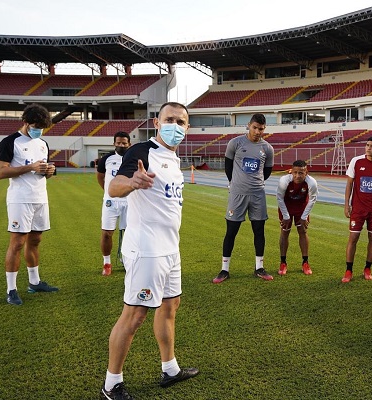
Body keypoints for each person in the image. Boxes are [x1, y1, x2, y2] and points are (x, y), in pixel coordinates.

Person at [100, 102, 198, 400]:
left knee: (170, 307)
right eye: (170, 119)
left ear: (187, 127)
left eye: (181, 122)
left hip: (170, 248)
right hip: (146, 249)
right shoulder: (142, 151)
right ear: (157, 122)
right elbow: (114, 187)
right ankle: (111, 384)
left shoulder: (173, 157)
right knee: (135, 314)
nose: (175, 126)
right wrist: (131, 182)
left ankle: (170, 369)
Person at [0, 103, 58, 306]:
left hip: (40, 197)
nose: (39, 130)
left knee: (36, 240)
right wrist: (30, 167)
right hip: (19, 199)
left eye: (42, 127)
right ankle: (11, 289)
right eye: (36, 125)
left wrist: (48, 171)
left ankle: (34, 282)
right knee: (18, 242)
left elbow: (40, 172)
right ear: (25, 122)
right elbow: (0, 173)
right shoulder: (9, 142)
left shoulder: (42, 144)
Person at [213, 113, 275, 284]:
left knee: (259, 231)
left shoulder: (267, 148)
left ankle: (259, 268)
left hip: (258, 195)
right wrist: (235, 184)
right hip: (237, 194)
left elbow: (267, 171)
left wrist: (255, 184)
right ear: (248, 125)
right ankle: (224, 270)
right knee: (231, 231)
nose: (257, 131)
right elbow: (228, 167)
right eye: (255, 127)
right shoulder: (235, 143)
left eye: (261, 129)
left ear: (264, 129)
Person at [342, 137, 372, 283]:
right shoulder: (356, 161)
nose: (368, 148)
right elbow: (349, 184)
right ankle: (348, 270)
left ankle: (367, 268)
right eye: (367, 145)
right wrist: (346, 204)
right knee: (353, 238)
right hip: (358, 208)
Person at [97, 131, 131, 276]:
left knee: (129, 234)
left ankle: (126, 260)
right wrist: (108, 191)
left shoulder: (133, 159)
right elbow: (100, 177)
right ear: (114, 143)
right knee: (107, 233)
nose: (121, 145)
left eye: (124, 143)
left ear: (129, 144)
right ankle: (107, 263)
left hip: (129, 201)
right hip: (111, 202)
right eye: (118, 143)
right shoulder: (107, 159)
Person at [276, 160, 318, 276]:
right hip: (286, 206)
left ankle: (305, 262)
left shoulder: (312, 182)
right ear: (291, 172)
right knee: (285, 232)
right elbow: (279, 198)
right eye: (295, 173)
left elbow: (312, 200)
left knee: (303, 231)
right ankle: (283, 262)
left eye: (301, 173)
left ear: (306, 173)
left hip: (301, 207)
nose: (297, 176)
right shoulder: (284, 181)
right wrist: (286, 216)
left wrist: (304, 217)